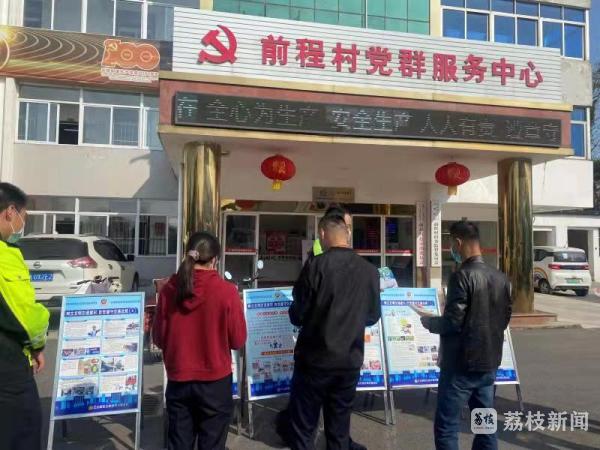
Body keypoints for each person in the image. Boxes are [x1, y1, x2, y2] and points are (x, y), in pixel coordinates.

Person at [287, 214, 381, 450]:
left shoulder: (315, 266)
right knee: (339, 428)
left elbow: (298, 314)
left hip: (314, 360)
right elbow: (373, 315)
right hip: (349, 361)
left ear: (322, 234)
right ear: (347, 234)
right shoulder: (369, 271)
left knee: (304, 427)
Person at [417, 221, 512, 450]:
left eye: (452, 244)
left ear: (458, 243)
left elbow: (452, 322)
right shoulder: (501, 278)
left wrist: (429, 322)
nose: (452, 249)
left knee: (447, 426)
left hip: (460, 366)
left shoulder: (461, 277)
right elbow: (504, 319)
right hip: (488, 364)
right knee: (485, 425)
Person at [153, 231, 247, 450]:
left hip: (179, 380)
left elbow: (158, 338)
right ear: (214, 260)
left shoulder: (168, 291)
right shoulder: (227, 292)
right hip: (215, 384)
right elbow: (238, 340)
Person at [0, 182, 50, 450]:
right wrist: (38, 344)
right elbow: (25, 317)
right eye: (23, 216)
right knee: (23, 433)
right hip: (7, 369)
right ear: (10, 211)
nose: (21, 224)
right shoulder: (4, 256)